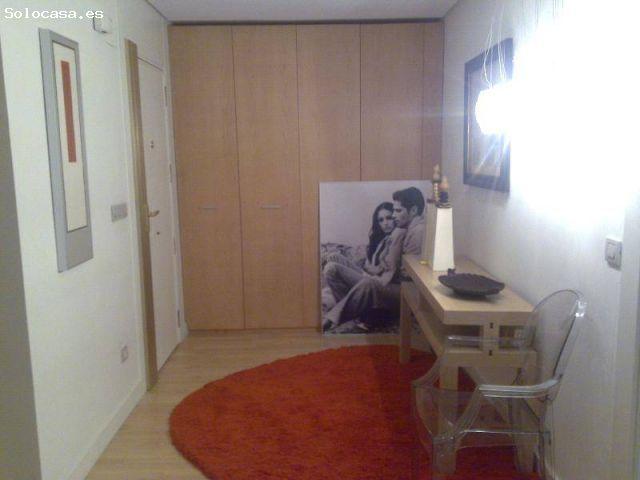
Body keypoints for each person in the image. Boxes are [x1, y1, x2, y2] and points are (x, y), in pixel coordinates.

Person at [322, 187, 427, 333]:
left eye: (398, 211)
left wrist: (375, 276)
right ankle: (354, 310)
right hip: (391, 282)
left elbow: (402, 275)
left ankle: (332, 319)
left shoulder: (416, 232)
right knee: (332, 266)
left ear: (414, 210)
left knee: (368, 283)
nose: (394, 216)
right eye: (393, 212)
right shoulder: (406, 229)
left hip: (405, 291)